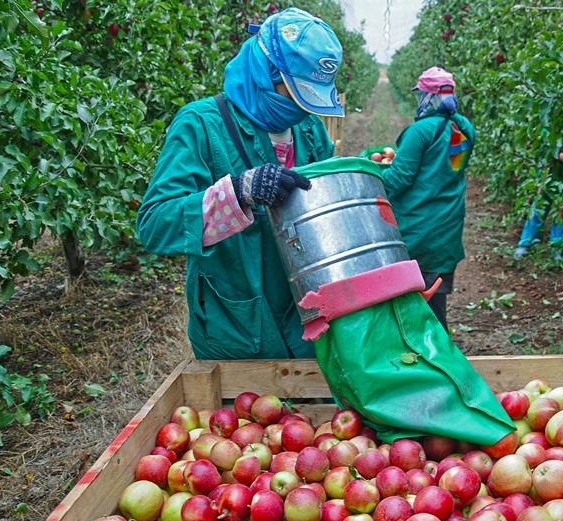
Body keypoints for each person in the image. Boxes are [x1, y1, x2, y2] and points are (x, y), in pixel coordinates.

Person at [137, 8, 343, 360]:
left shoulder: (309, 131)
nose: (299, 105)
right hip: (237, 326)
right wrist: (238, 192)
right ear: (266, 70)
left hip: (307, 322)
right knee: (245, 416)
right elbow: (154, 224)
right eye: (294, 91)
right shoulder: (201, 125)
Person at [381, 67, 475, 331]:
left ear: (427, 96)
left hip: (418, 232)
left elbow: (399, 179)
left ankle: (431, 361)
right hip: (447, 231)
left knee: (415, 309)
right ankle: (437, 355)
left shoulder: (420, 132)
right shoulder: (464, 129)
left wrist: (373, 176)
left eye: (421, 94)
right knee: (435, 303)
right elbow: (446, 169)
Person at [513, 143, 563, 259]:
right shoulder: (549, 131)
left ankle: (558, 248)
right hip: (549, 172)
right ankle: (526, 243)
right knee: (539, 207)